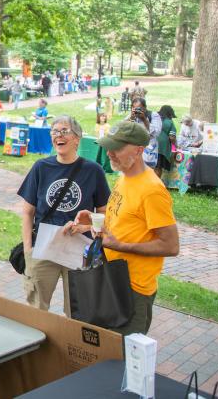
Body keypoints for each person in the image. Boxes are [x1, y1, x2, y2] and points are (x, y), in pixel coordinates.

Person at [67, 121, 179, 335]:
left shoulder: (152, 190)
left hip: (133, 289)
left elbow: (171, 245)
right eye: (108, 146)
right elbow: (123, 220)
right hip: (110, 278)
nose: (109, 153)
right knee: (106, 351)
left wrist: (121, 245)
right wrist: (94, 219)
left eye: (117, 148)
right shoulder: (124, 177)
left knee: (125, 358)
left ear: (139, 150)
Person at [17, 116, 110, 313]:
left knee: (78, 311)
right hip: (43, 248)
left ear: (77, 138)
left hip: (78, 250)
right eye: (54, 131)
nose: (58, 135)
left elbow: (104, 213)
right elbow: (27, 212)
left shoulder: (94, 171)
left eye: (64, 131)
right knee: (36, 310)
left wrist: (88, 225)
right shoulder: (41, 168)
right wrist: (28, 251)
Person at [128, 98, 161, 168]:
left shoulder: (154, 115)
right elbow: (122, 130)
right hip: (134, 151)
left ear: (145, 108)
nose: (137, 111)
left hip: (148, 152)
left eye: (139, 108)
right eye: (134, 108)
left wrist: (144, 120)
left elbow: (156, 133)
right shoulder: (132, 116)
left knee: (147, 173)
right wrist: (131, 119)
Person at [155, 105, 177, 178]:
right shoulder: (169, 122)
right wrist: (174, 147)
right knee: (158, 167)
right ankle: (156, 185)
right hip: (162, 148)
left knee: (151, 166)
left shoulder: (155, 118)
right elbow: (172, 137)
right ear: (170, 113)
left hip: (151, 145)